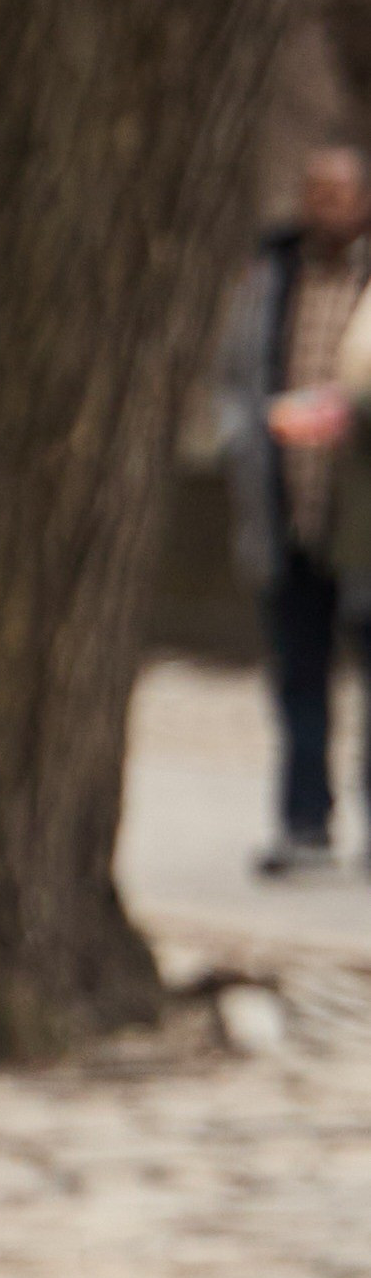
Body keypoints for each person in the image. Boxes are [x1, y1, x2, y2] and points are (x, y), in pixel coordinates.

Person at [217, 140, 371, 873]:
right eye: (315, 193)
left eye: (340, 194)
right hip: (287, 509)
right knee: (298, 677)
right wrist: (245, 441)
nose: (325, 207)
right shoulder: (268, 276)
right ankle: (304, 823)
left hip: (363, 519)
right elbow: (233, 379)